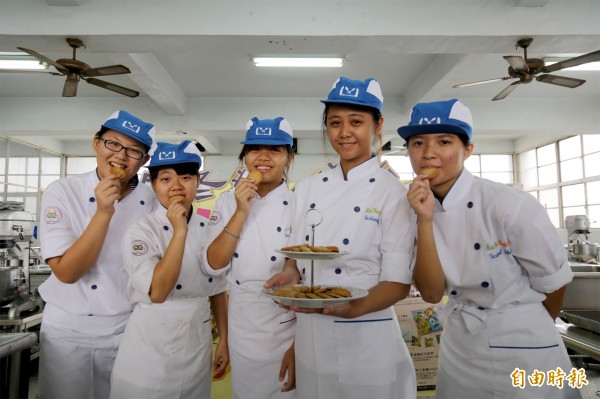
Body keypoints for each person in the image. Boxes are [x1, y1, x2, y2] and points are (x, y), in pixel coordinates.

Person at [400, 98, 581, 399]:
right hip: (461, 346)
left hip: (525, 345)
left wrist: (521, 324)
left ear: (467, 149)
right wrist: (424, 219)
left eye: (444, 141)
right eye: (418, 143)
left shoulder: (509, 205)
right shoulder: (413, 209)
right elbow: (432, 293)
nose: (428, 154)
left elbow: (555, 283)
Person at [266, 77, 417, 398]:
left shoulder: (392, 193)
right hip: (311, 339)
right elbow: (296, 258)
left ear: (378, 126)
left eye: (356, 122)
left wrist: (352, 309)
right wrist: (289, 273)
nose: (345, 132)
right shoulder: (307, 189)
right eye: (335, 123)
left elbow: (398, 282)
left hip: (367, 339)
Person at [38, 110, 157, 399]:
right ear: (96, 143)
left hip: (128, 330)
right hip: (68, 331)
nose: (121, 156)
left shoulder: (153, 201)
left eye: (134, 151)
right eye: (113, 144)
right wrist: (104, 211)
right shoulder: (62, 191)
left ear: (144, 160)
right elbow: (66, 272)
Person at [109, 140, 229, 398]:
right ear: (153, 185)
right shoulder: (141, 232)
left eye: (185, 177)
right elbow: (158, 292)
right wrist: (179, 232)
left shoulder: (210, 229)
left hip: (197, 340)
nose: (176, 186)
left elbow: (218, 288)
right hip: (151, 344)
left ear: (198, 181)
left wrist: (225, 341)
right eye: (165, 179)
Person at [203, 117, 297, 398]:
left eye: (275, 150)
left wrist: (300, 345)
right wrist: (241, 210)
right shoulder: (227, 201)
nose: (263, 157)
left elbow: (309, 270)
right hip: (242, 324)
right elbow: (214, 265)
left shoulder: (300, 203)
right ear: (244, 157)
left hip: (287, 323)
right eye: (255, 149)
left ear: (288, 158)